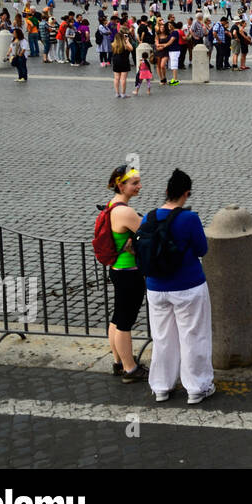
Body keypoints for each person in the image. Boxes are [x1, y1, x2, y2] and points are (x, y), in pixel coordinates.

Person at [141, 169, 214, 404]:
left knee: (162, 337)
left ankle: (161, 386)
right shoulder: (189, 219)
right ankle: (197, 387)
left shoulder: (149, 217)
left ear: (165, 191)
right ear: (187, 193)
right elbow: (202, 249)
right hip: (188, 286)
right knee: (193, 336)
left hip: (156, 287)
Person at [104, 164, 148, 383]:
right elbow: (149, 234)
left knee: (117, 318)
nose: (139, 186)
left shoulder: (112, 206)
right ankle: (130, 369)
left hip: (117, 269)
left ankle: (118, 362)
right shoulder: (125, 212)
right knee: (125, 322)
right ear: (121, 185)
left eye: (138, 182)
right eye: (134, 183)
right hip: (129, 272)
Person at [111, 23, 132, 97]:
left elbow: (112, 48)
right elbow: (131, 48)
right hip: (124, 61)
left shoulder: (114, 44)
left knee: (116, 78)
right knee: (123, 79)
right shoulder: (125, 44)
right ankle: (123, 93)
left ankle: (117, 93)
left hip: (116, 60)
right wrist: (127, 41)